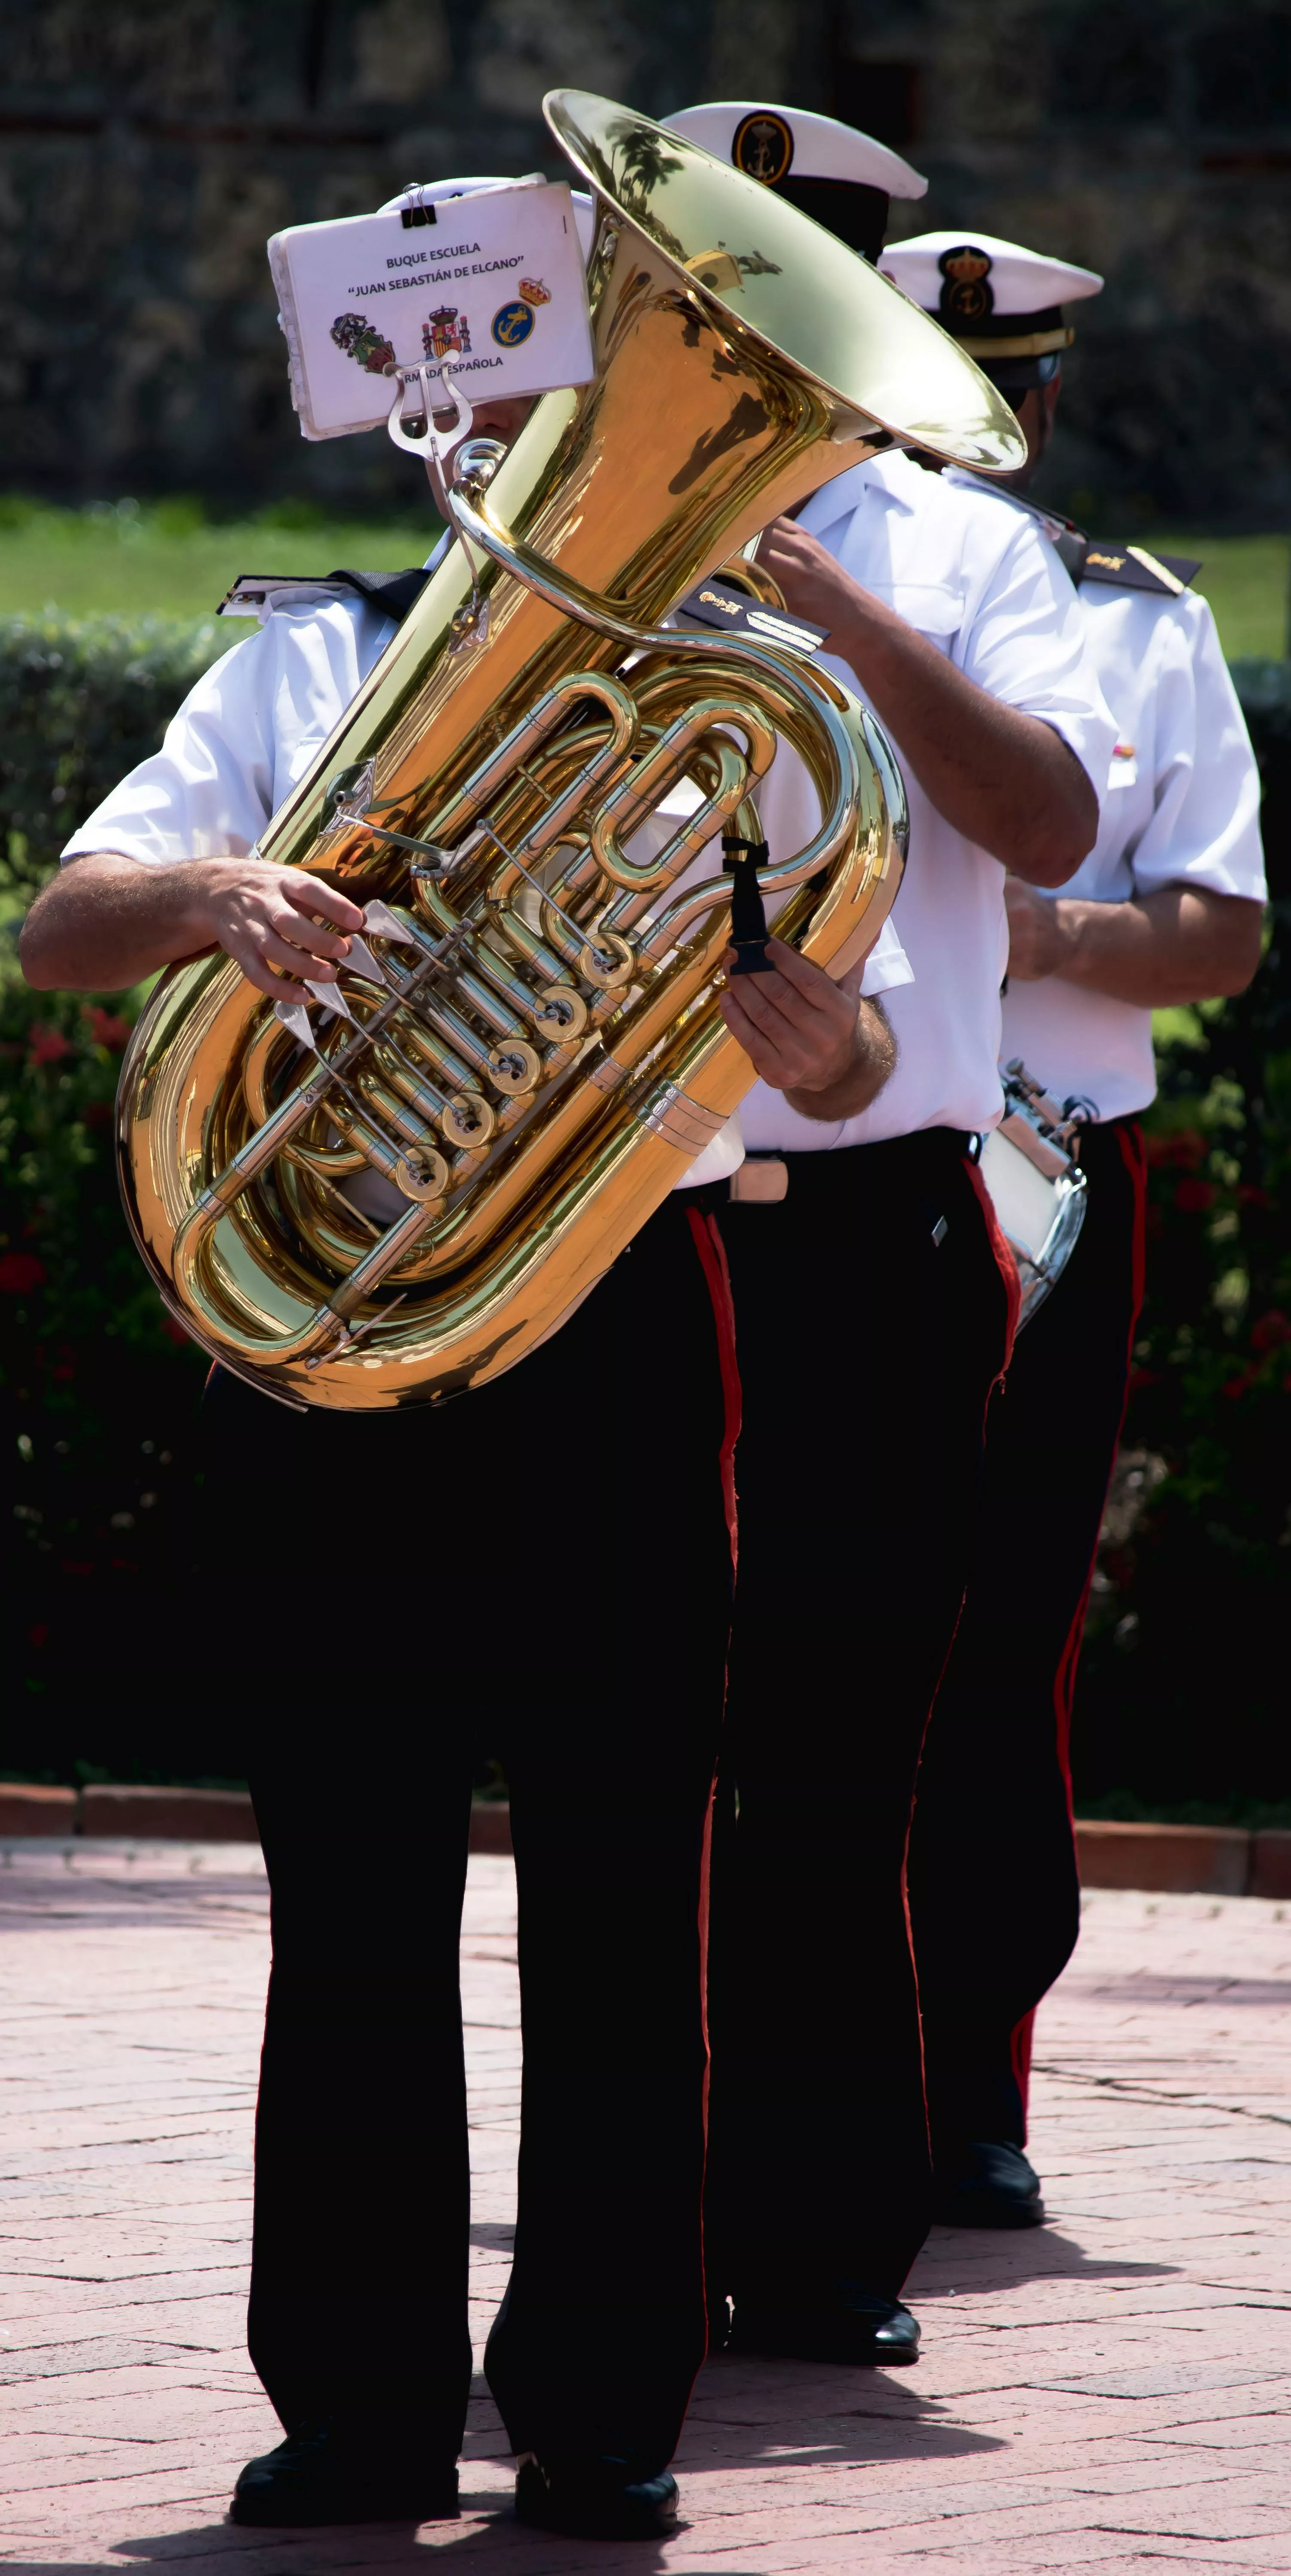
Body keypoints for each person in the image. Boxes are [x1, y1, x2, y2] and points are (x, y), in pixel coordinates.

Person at [19, 172, 907, 2538]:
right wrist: (220, 896)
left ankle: (605, 2415)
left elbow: (850, 1049)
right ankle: (358, 2405)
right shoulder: (301, 662)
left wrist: (819, 1047)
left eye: (558, 399)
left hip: (610, 1331)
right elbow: (64, 923)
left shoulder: (752, 701)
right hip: (340, 1357)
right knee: (354, 1891)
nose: (515, 439)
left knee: (625, 1891)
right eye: (493, 404)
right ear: (434, 433)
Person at [662, 103, 1119, 2366]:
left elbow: (1043, 819)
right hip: (615, 1223)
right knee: (625, 1754)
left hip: (867, 1236)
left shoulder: (971, 551)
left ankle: (822, 2237)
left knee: (841, 1744)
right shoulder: (564, 526)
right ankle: (621, 2239)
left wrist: (829, 602)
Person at [878, 229, 1266, 2226]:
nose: (973, 427)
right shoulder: (788, 590)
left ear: (1039, 408)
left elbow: (1217, 924)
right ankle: (753, 2077)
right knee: (768, 1632)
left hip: (1047, 1173)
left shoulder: (1132, 620)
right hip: (825, 1170)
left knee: (1003, 1629)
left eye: (1001, 393)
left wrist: (1047, 936)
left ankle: (967, 2083)